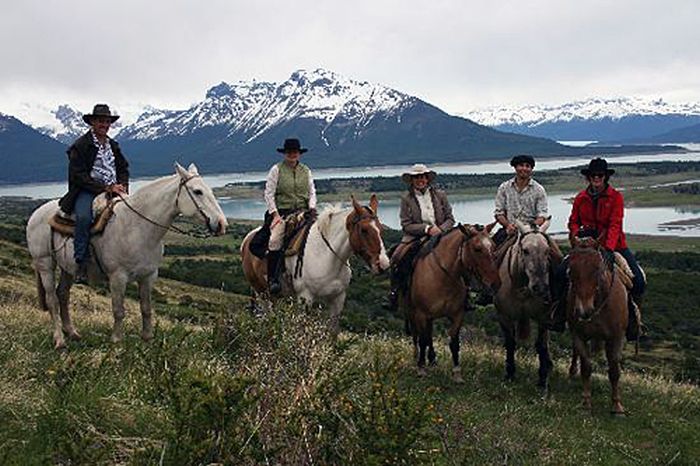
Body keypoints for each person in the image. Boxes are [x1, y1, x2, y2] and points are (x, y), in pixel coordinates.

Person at [552, 157, 645, 340]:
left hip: (614, 246)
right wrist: (577, 235)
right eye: (593, 175)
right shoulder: (580, 198)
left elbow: (615, 224)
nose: (596, 178)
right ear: (589, 177)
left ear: (605, 177)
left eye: (600, 175)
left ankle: (633, 322)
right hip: (584, 246)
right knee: (560, 274)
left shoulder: (615, 197)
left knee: (639, 281)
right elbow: (573, 221)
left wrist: (608, 248)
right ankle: (559, 315)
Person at [58, 104, 129, 284]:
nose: (104, 125)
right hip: (87, 190)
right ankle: (81, 261)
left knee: (131, 214)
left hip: (114, 189)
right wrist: (106, 188)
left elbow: (123, 167)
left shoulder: (113, 145)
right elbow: (78, 176)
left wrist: (122, 185)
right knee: (83, 218)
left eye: (107, 121)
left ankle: (123, 259)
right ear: (92, 122)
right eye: (100, 121)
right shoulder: (80, 146)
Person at [387, 163, 454, 311]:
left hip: (442, 235)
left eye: (422, 177)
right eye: (416, 177)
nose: (420, 180)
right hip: (416, 237)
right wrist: (427, 229)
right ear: (412, 180)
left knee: (463, 255)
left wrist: (440, 229)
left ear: (427, 179)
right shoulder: (406, 198)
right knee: (398, 257)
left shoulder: (440, 195)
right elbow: (406, 224)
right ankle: (395, 293)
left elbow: (450, 219)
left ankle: (466, 294)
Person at [263, 138, 317, 295]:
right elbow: (269, 194)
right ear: (285, 153)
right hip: (283, 213)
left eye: (295, 152)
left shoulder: (306, 171)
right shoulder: (276, 170)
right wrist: (275, 214)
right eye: (289, 152)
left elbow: (312, 191)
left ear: (299, 153)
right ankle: (273, 279)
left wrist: (312, 208)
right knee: (274, 241)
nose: (292, 154)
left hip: (304, 211)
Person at [493, 154, 549, 246]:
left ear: (531, 169)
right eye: (521, 165)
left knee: (556, 255)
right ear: (515, 167)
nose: (524, 168)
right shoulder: (504, 187)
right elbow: (499, 213)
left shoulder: (539, 189)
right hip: (510, 230)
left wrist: (531, 227)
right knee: (492, 254)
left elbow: (542, 215)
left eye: (527, 166)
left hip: (532, 231)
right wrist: (508, 225)